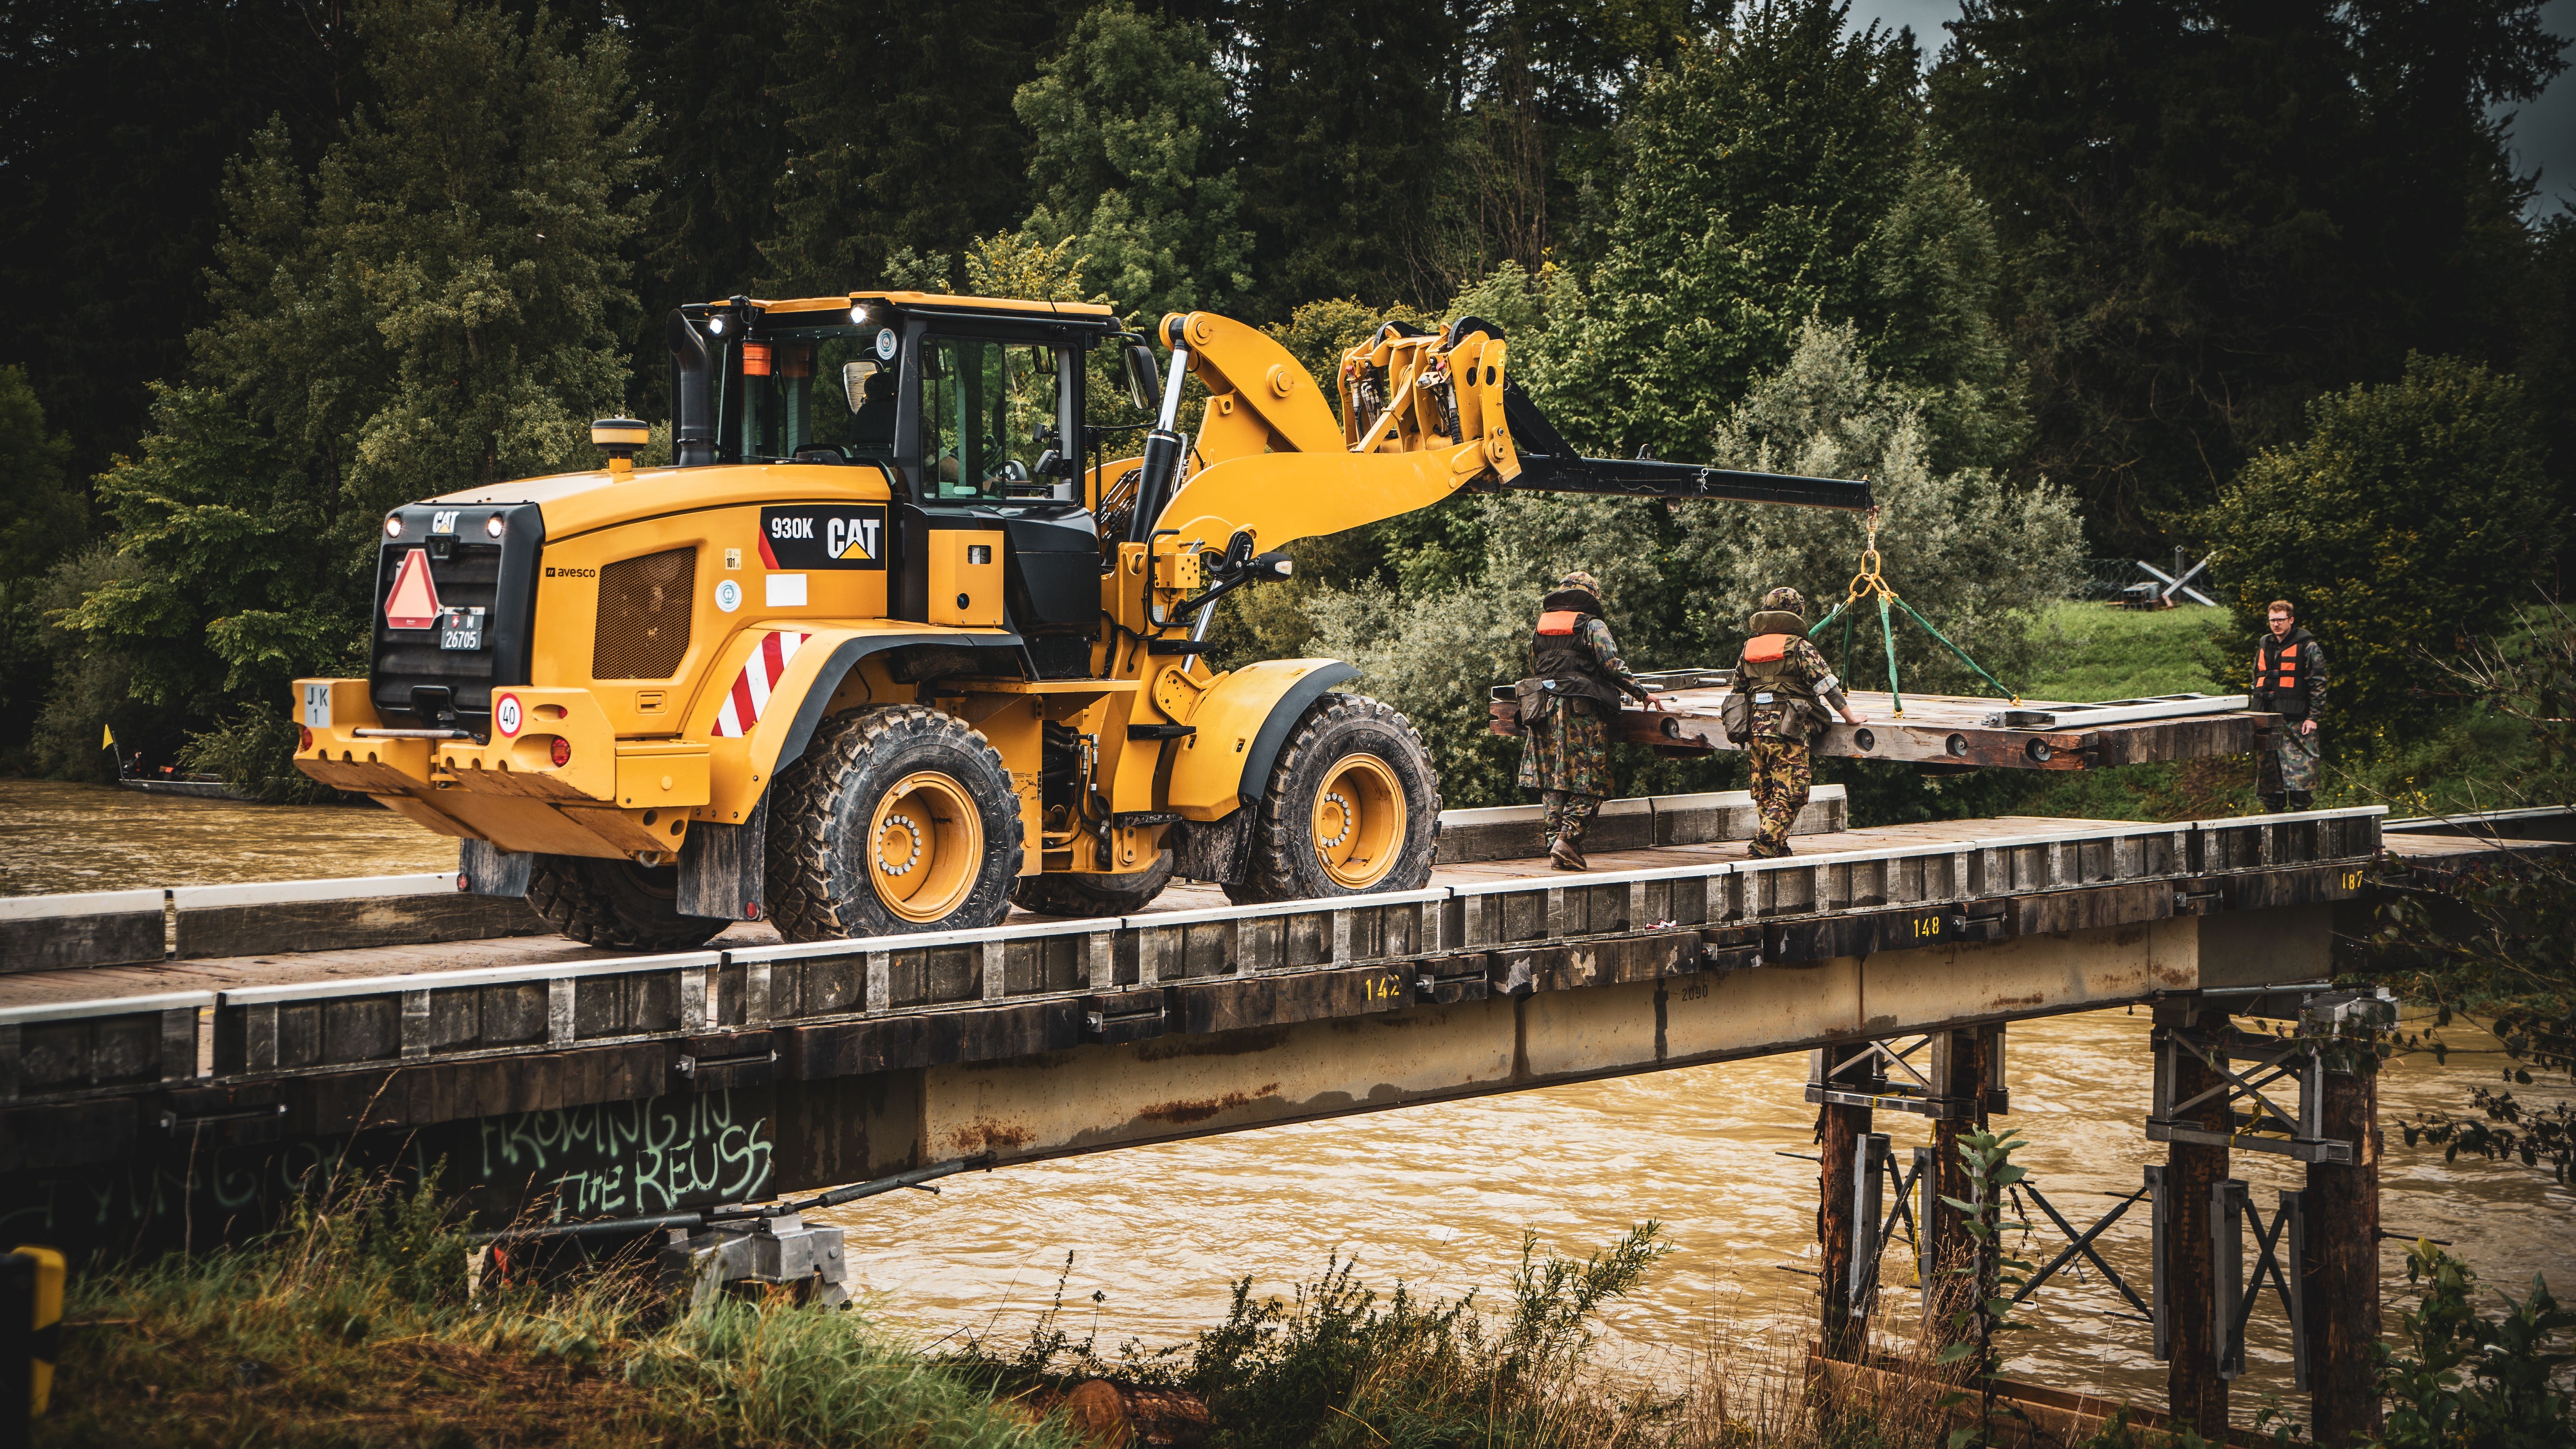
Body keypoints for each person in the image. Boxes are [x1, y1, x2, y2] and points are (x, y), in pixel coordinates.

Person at [1515, 571, 1662, 870]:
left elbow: (1535, 666)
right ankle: (1568, 840)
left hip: (1543, 708)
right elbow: (1612, 666)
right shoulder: (1592, 625)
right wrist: (1643, 694)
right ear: (1590, 596)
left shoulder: (1541, 628)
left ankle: (1556, 843)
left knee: (1554, 780)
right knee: (1592, 778)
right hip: (1580, 713)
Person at [1725, 587, 1868, 859]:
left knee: (1765, 789)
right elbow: (1827, 685)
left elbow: (1738, 689)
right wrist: (1850, 717)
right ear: (1797, 613)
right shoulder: (1799, 646)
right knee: (1793, 791)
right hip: (1787, 728)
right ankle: (1764, 846)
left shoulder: (1750, 648)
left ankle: (1777, 847)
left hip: (1754, 727)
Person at [2251, 598, 2326, 812]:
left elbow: (2318, 682)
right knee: (2269, 779)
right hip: (2267, 719)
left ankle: (2301, 820)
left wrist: (2313, 717)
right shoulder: (2265, 644)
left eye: (2280, 620)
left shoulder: (2308, 647)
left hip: (2297, 720)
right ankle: (2273, 818)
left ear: (2291, 620)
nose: (2276, 624)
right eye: (2272, 620)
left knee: (2301, 778)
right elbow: (2257, 675)